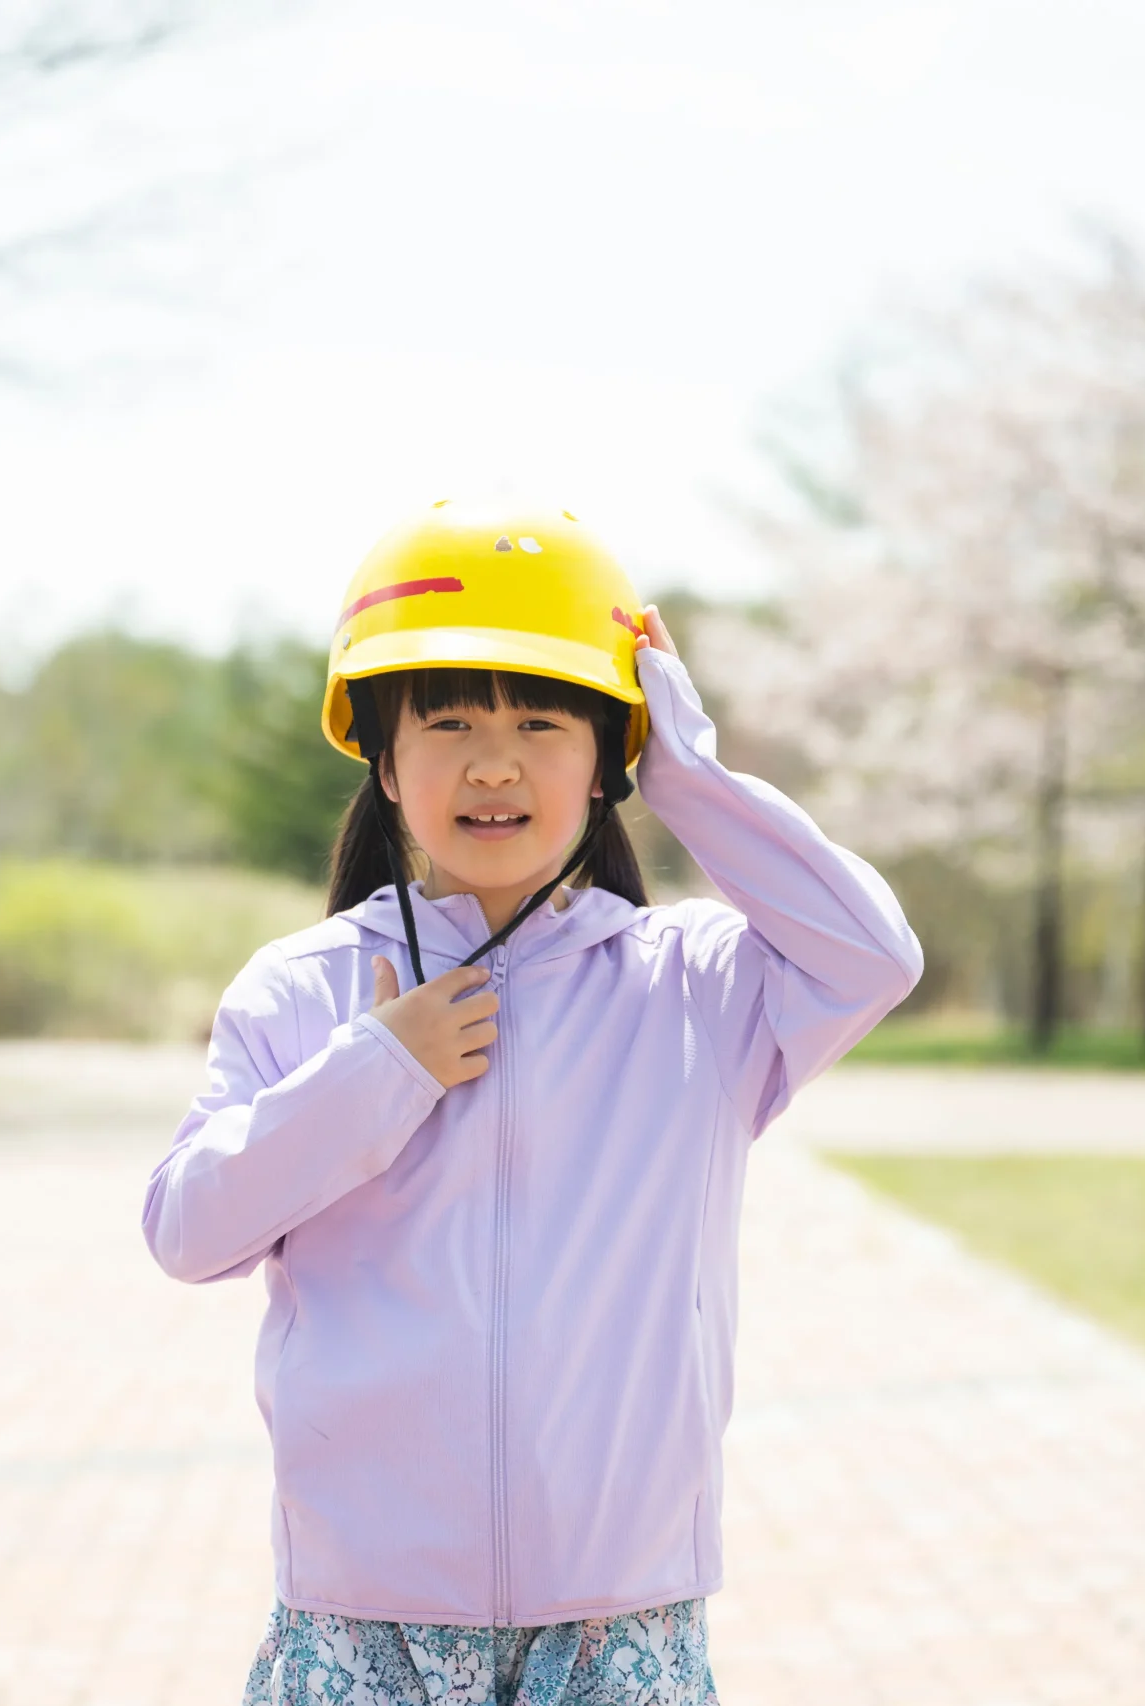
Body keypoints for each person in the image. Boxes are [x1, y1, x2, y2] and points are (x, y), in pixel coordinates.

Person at [142, 501, 923, 1706]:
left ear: (609, 759)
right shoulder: (305, 989)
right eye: (446, 720)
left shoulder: (695, 987)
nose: (493, 761)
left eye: (543, 722)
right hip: (363, 1616)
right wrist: (376, 1069)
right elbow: (188, 1229)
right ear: (383, 760)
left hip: (621, 1616)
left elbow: (874, 954)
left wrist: (690, 775)